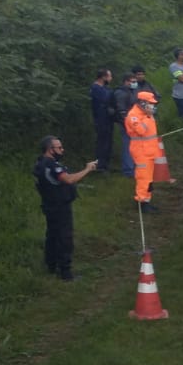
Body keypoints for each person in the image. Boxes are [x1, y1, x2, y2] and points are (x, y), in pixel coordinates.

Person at [34, 136, 97, 280]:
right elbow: (69, 179)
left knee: (52, 235)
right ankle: (65, 272)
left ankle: (51, 265)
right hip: (60, 206)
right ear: (50, 150)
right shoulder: (52, 166)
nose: (62, 150)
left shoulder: (40, 163)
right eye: (59, 148)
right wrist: (87, 169)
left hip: (49, 205)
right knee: (64, 238)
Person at [126, 89, 161, 211]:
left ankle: (147, 200)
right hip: (141, 151)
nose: (152, 106)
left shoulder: (146, 114)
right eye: (150, 103)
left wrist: (148, 115)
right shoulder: (133, 115)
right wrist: (148, 116)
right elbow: (141, 131)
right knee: (143, 178)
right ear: (142, 103)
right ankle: (141, 202)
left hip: (150, 151)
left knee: (149, 179)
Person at [111, 71, 139, 176]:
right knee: (128, 146)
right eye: (133, 81)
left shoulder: (131, 91)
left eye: (135, 82)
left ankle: (133, 167)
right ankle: (128, 170)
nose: (135, 83)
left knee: (133, 146)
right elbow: (122, 111)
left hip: (133, 122)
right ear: (126, 82)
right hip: (126, 124)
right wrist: (128, 124)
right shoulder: (121, 93)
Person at [88, 68, 114, 171]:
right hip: (101, 119)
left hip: (108, 119)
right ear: (103, 77)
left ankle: (106, 164)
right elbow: (106, 99)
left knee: (108, 142)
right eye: (109, 76)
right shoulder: (96, 88)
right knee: (102, 143)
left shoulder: (105, 88)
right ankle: (100, 165)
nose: (111, 78)